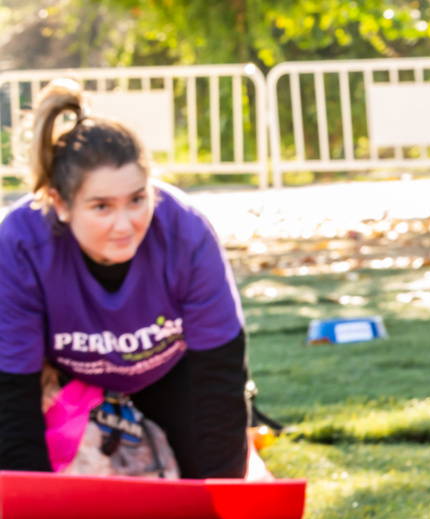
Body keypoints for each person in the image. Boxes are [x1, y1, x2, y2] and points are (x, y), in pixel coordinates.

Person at [0, 79, 249, 478]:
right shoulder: (19, 242)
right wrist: (30, 493)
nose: (125, 224)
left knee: (209, 471)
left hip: (165, 372)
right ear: (61, 204)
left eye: (137, 199)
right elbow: (11, 385)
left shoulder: (186, 232)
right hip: (62, 379)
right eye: (101, 207)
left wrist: (225, 486)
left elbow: (221, 366)